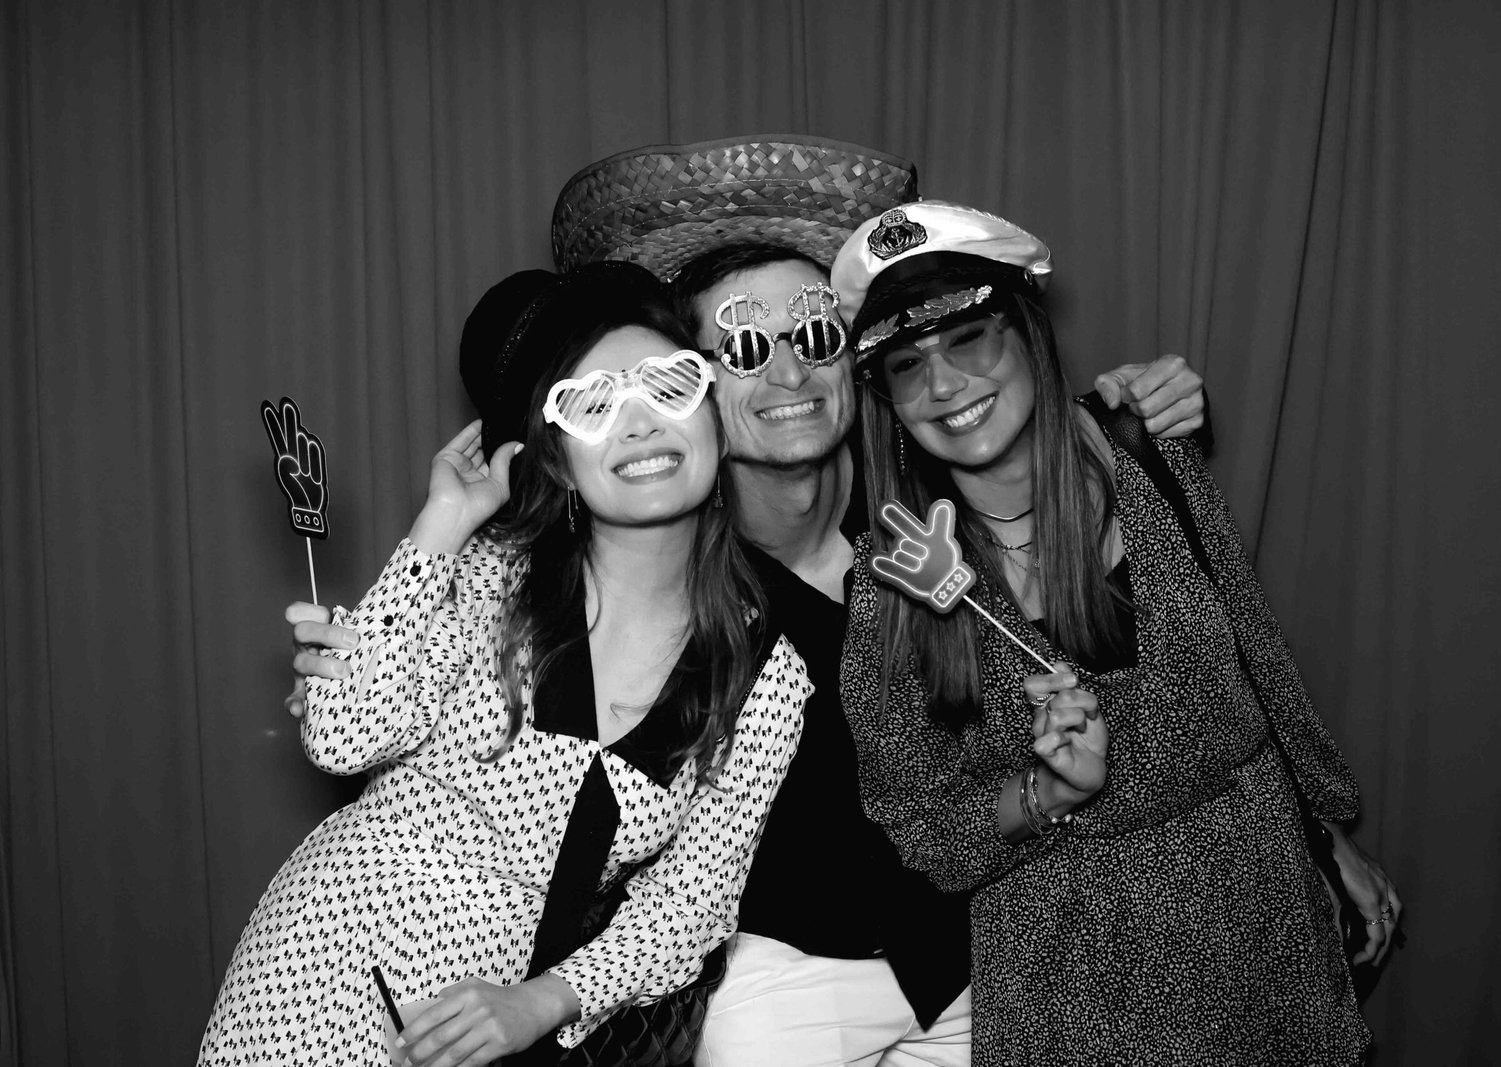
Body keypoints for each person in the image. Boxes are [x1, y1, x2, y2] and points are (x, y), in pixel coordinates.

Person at [286, 136, 1209, 1067]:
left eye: (815, 337)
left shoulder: (933, 507)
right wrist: (381, 656)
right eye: (740, 349)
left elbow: (1038, 459)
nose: (787, 375)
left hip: (980, 960)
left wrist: (1126, 416)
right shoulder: (658, 577)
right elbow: (460, 694)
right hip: (785, 977)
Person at [831, 200, 1402, 1066]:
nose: (943, 385)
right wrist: (1047, 792)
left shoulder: (1147, 455)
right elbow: (920, 833)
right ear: (887, 399)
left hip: (1265, 925)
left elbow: (1256, 660)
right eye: (906, 365)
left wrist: (1326, 835)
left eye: (969, 339)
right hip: (1074, 978)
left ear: (1026, 331)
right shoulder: (892, 587)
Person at [206, 262, 807, 1066]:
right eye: (592, 404)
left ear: (715, 415)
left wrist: (541, 1002)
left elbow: (687, 905)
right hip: (323, 965)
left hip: (492, 1013)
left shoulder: (764, 675)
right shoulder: (493, 575)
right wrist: (442, 523)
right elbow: (341, 737)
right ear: (557, 457)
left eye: (668, 385)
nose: (636, 423)